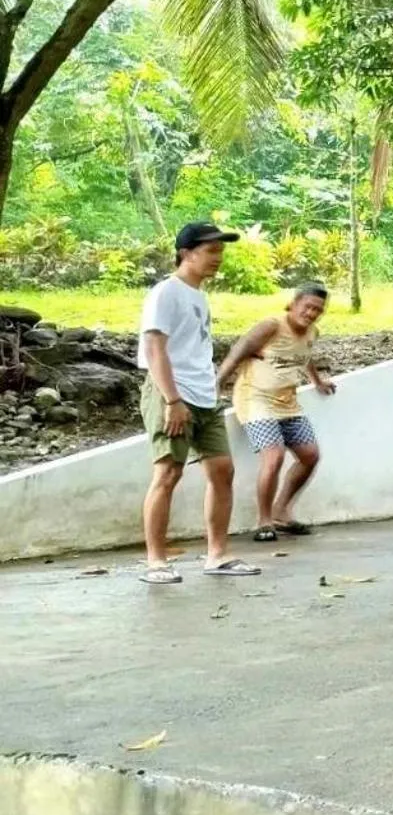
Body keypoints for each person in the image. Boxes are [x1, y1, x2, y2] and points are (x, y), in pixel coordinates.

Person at [138, 221, 262, 585]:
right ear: (186, 253)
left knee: (223, 470)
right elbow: (154, 348)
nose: (218, 258)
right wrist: (173, 400)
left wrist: (209, 389)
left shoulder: (198, 295)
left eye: (220, 251)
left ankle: (217, 555)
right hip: (171, 393)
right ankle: (156, 562)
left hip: (203, 396)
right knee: (167, 473)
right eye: (211, 251)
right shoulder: (166, 292)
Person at [217, 281, 335, 542]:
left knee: (310, 456)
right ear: (293, 305)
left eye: (318, 310)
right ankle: (264, 521)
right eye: (308, 307)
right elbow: (238, 351)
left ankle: (282, 511)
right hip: (255, 398)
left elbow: (305, 356)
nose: (312, 314)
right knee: (274, 457)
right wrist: (217, 385)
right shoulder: (271, 326)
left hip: (287, 403)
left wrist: (317, 381)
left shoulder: (312, 332)